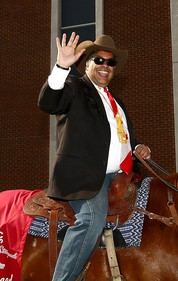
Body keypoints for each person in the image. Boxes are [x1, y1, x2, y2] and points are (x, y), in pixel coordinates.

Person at [38, 32, 151, 281]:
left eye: (111, 62)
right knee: (91, 220)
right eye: (98, 60)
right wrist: (61, 67)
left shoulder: (116, 102)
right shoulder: (75, 87)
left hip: (122, 177)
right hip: (85, 177)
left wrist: (137, 146)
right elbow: (49, 102)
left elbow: (119, 137)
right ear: (86, 63)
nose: (105, 66)